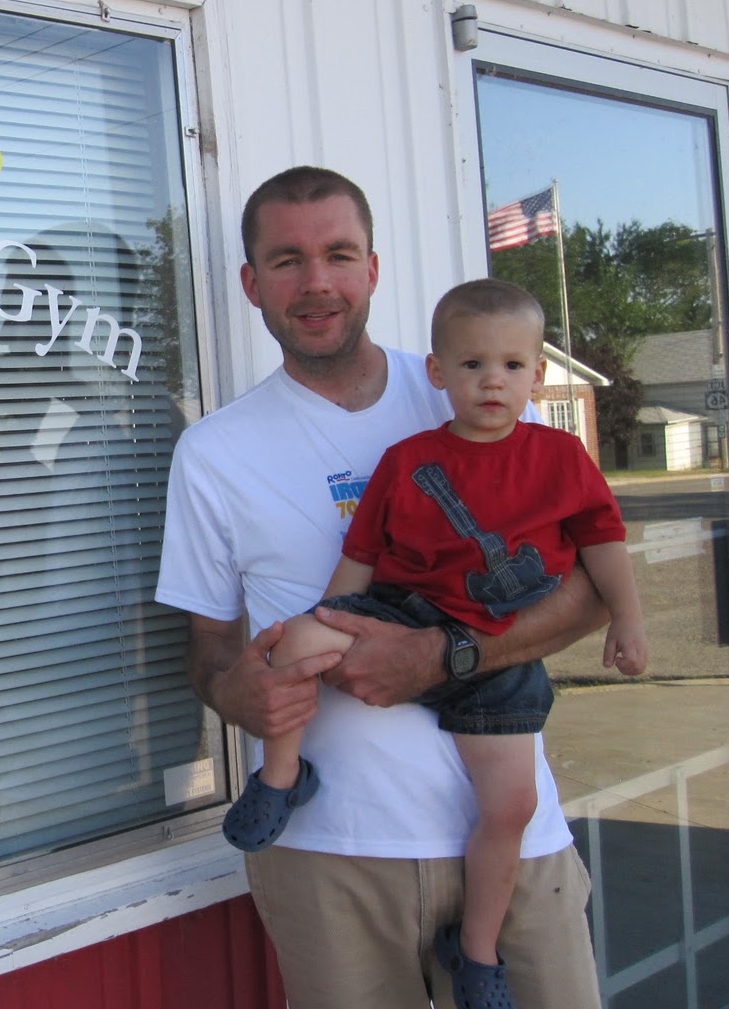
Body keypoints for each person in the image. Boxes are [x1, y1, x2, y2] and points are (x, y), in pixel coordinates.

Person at [156, 166, 611, 1009]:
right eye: (287, 260)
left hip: (515, 833)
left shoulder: (473, 384)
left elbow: (591, 590)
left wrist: (446, 655)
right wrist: (239, 695)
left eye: (338, 253)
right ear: (252, 283)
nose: (317, 281)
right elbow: (212, 651)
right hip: (331, 856)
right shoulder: (215, 453)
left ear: (373, 268)